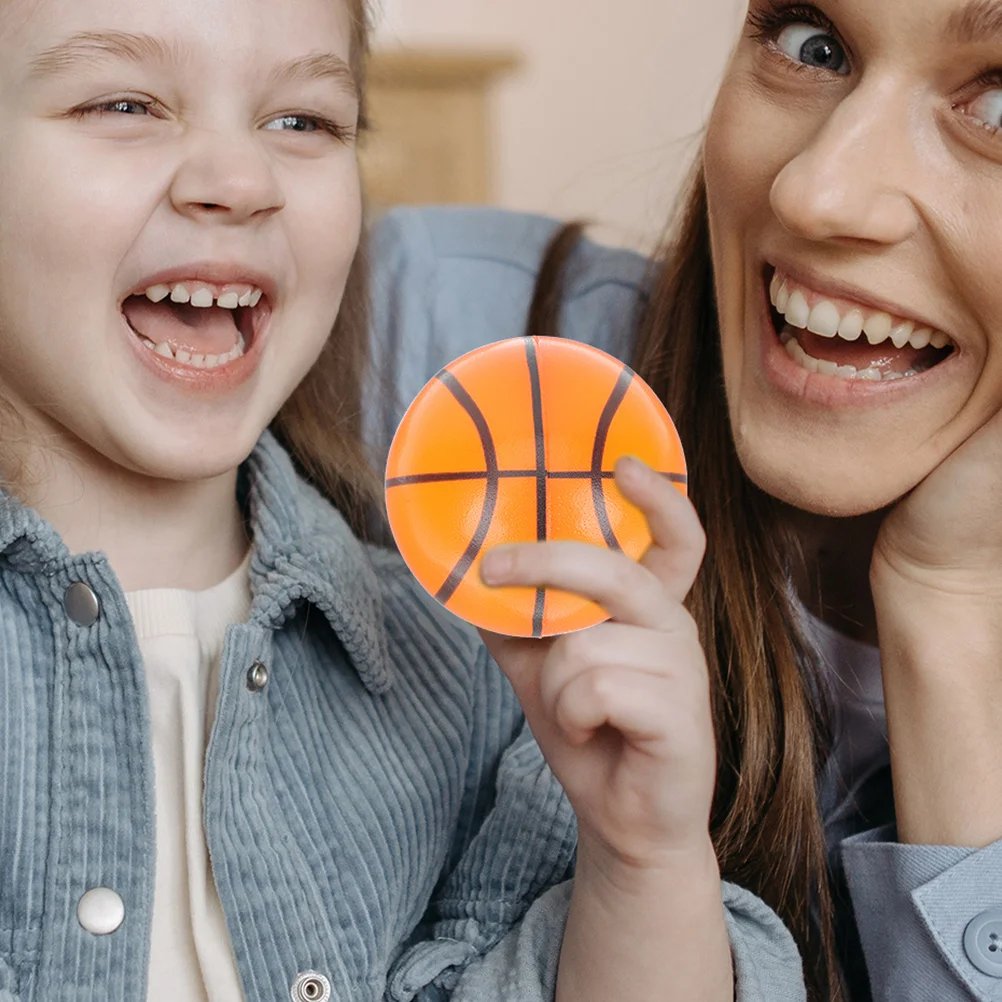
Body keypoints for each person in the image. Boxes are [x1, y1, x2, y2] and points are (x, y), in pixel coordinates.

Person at [0, 0, 803, 1000]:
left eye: (305, 122)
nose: (241, 182)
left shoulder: (483, 690)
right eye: (126, 103)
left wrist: (642, 863)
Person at [367, 1, 1002, 999]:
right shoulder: (432, 341)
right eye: (811, 43)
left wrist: (947, 611)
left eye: (998, 105)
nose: (817, 191)